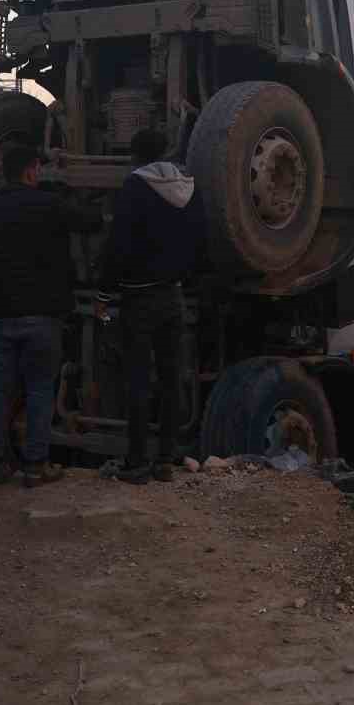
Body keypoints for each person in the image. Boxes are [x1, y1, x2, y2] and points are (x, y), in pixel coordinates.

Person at [0, 143, 102, 488]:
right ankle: (35, 466)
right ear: (30, 172)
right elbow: (91, 222)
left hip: (1, 315)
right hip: (43, 316)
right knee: (41, 388)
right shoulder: (49, 205)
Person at [96, 129, 207, 485]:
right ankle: (165, 460)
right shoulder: (189, 187)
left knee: (139, 380)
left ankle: (137, 463)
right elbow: (200, 237)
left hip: (139, 298)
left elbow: (119, 244)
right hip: (173, 295)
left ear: (135, 156)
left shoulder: (134, 187)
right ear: (165, 150)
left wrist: (103, 292)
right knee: (172, 378)